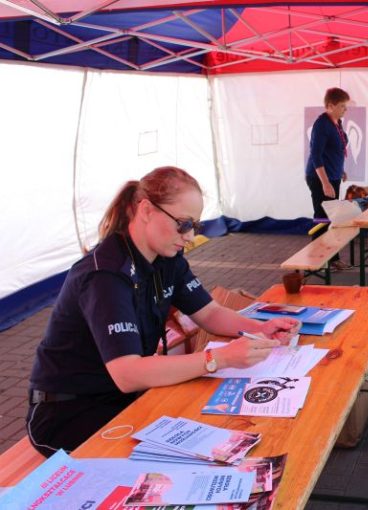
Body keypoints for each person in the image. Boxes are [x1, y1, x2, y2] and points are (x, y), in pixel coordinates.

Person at [26, 166, 300, 457]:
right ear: (146, 210)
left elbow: (209, 313)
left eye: (195, 226)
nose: (190, 236)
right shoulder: (105, 275)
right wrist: (219, 358)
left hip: (122, 397)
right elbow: (127, 373)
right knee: (187, 456)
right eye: (183, 224)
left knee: (211, 433)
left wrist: (260, 328)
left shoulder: (167, 258)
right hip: (67, 413)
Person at [305, 87, 351, 271]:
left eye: (345, 106)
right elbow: (316, 156)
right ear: (330, 106)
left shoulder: (336, 122)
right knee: (322, 219)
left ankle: (332, 259)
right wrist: (325, 183)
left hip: (332, 175)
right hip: (320, 178)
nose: (345, 109)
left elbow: (334, 150)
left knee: (331, 218)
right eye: (342, 106)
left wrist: (340, 170)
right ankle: (318, 260)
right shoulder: (322, 125)